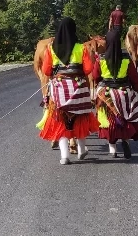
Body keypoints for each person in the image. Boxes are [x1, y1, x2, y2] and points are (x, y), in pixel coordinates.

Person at [39, 17, 99, 165]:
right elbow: (88, 69)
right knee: (80, 117)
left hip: (59, 89)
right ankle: (81, 150)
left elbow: (46, 71)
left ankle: (64, 155)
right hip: (78, 88)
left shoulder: (51, 48)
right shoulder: (81, 48)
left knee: (60, 119)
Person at [92, 29, 138, 159]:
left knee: (109, 121)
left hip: (107, 93)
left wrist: (100, 83)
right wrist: (137, 89)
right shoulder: (126, 59)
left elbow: (95, 77)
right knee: (125, 117)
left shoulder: (101, 59)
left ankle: (112, 148)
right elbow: (133, 77)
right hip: (124, 92)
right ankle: (125, 140)